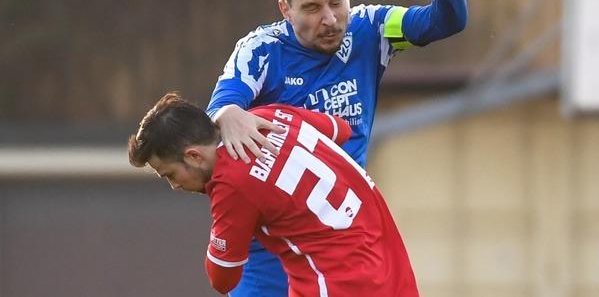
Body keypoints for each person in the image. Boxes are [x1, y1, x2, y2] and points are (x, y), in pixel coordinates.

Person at [207, 0, 487, 296]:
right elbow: (223, 106)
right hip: (271, 250)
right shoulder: (261, 50)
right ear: (285, 9)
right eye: (312, 8)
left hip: (341, 244)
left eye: (338, 2)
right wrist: (227, 112)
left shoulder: (370, 29)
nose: (330, 19)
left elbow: (443, 22)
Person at [128, 92, 420, 296]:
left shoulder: (230, 182)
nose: (174, 185)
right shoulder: (267, 116)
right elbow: (340, 129)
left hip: (337, 281)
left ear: (193, 156)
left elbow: (222, 276)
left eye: (169, 174)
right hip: (387, 258)